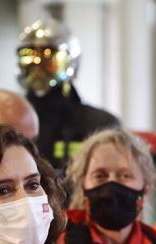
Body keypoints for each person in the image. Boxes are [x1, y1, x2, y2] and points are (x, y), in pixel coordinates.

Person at [17, 18, 120, 174]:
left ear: (71, 62)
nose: (37, 70)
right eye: (29, 59)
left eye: (48, 60)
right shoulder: (10, 119)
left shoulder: (98, 123)